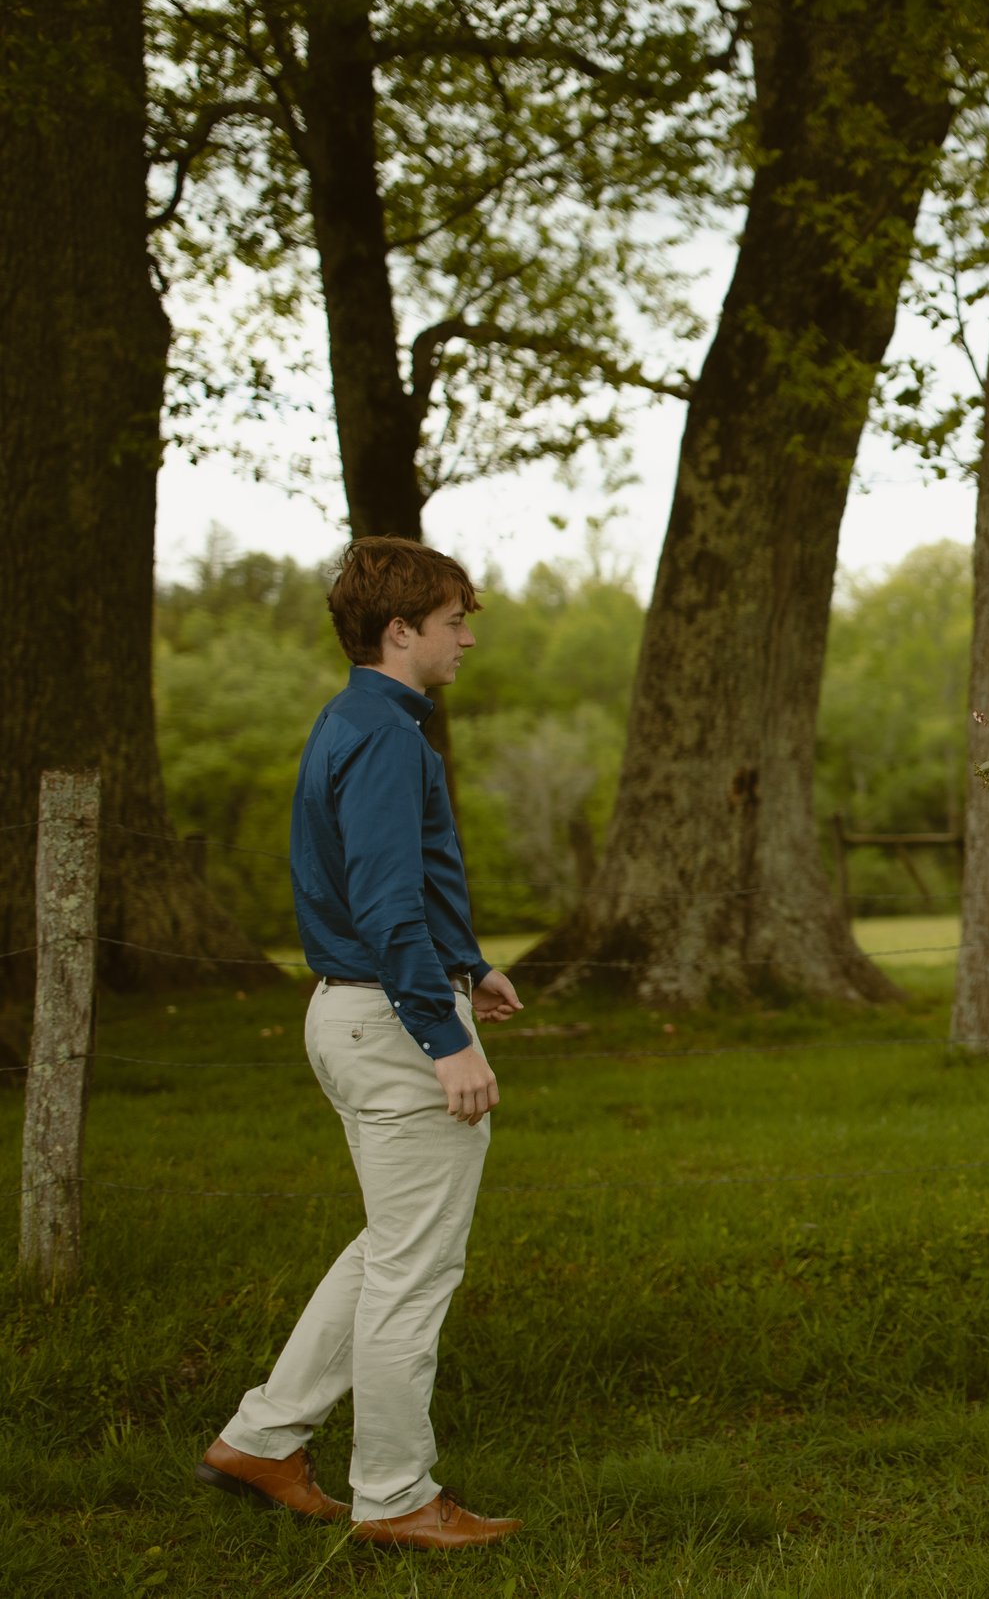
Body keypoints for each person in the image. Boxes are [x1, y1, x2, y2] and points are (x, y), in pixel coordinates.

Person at [196, 536, 527, 1551]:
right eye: (454, 621)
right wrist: (443, 1036)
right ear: (400, 629)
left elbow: (395, 876)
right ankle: (394, 1494)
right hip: (388, 1018)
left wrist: (468, 964)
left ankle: (260, 1439)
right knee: (414, 1268)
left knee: (392, 1245)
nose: (467, 638)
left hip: (355, 1008)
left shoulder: (357, 719)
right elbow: (384, 903)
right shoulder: (385, 736)